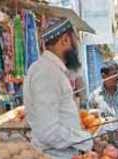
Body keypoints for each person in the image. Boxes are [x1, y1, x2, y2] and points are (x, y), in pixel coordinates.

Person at [23, 19, 92, 151]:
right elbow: (49, 131)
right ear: (65, 40)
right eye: (75, 41)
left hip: (65, 155)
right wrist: (86, 141)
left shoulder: (52, 69)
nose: (76, 47)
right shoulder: (47, 73)